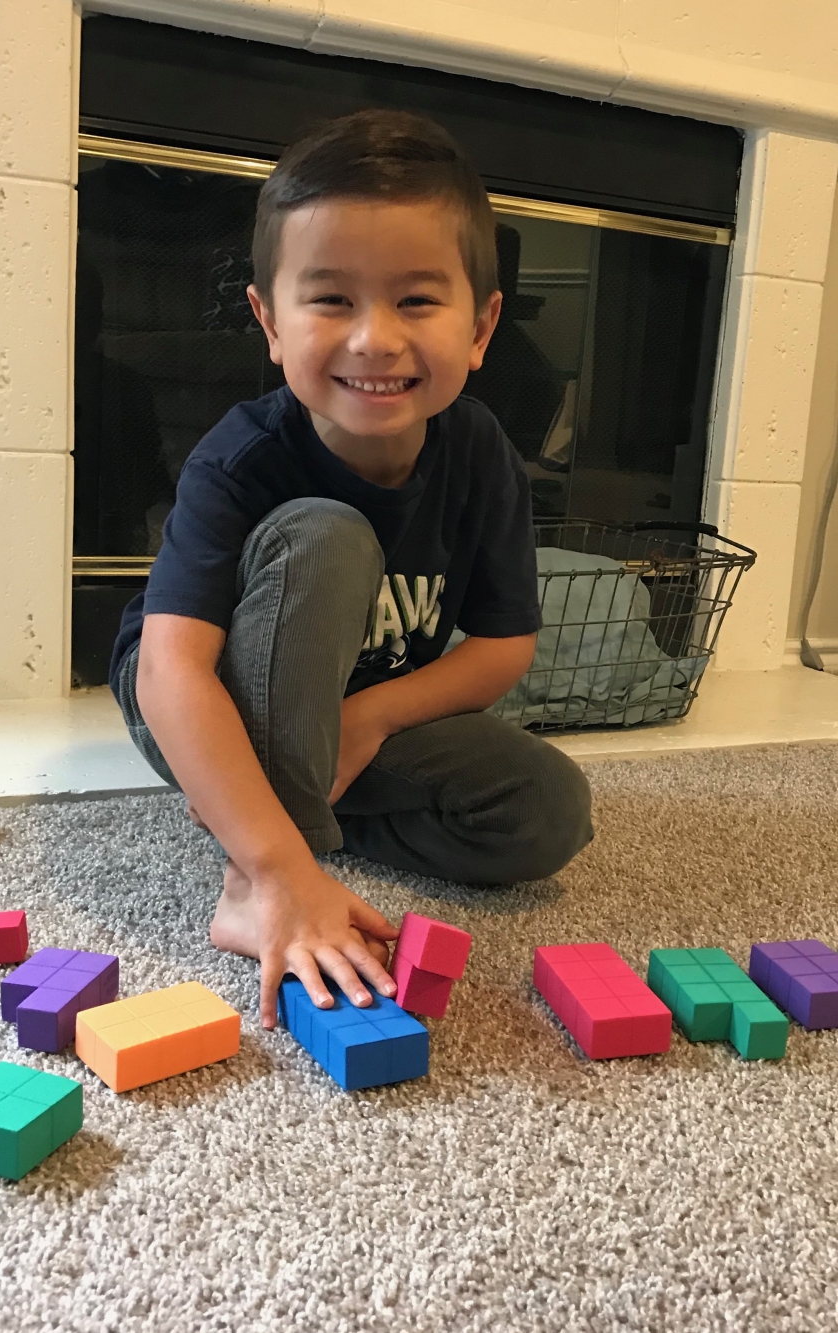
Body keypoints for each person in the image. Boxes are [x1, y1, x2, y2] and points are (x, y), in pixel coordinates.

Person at [110, 109, 593, 1029]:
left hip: (353, 708)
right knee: (327, 534)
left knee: (548, 810)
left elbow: (502, 645)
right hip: (204, 702)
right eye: (331, 299)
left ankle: (282, 810)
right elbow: (171, 673)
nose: (375, 338)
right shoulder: (241, 456)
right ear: (270, 322)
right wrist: (281, 869)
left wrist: (368, 718)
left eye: (416, 300)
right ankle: (263, 874)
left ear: (483, 325)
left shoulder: (481, 450)